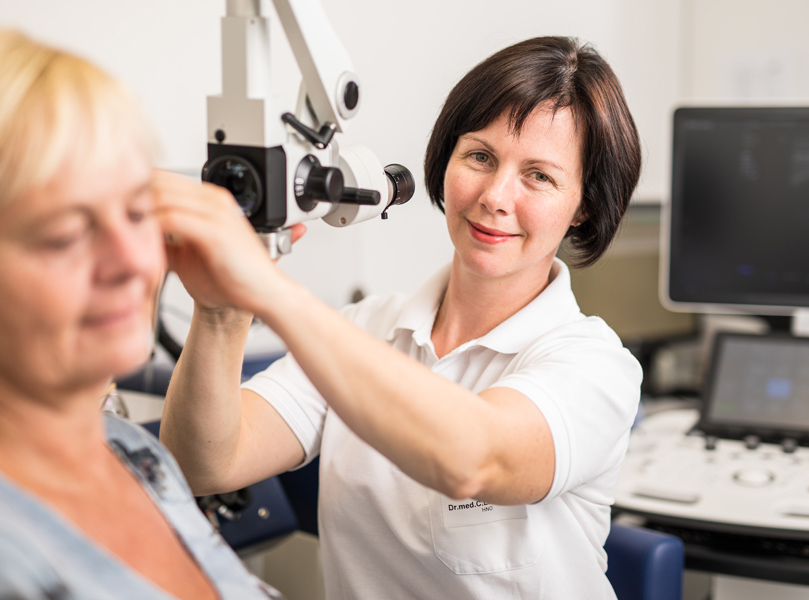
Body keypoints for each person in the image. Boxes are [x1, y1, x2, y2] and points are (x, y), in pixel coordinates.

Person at [157, 36, 643, 599]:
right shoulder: (366, 328)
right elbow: (204, 463)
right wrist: (221, 312)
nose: (494, 195)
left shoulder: (595, 365)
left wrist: (267, 287)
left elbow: (475, 457)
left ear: (582, 205)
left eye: (539, 175)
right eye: (480, 157)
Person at [0, 29, 287, 600]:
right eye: (65, 233)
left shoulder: (131, 452)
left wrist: (229, 306)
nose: (135, 260)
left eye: (138, 212)